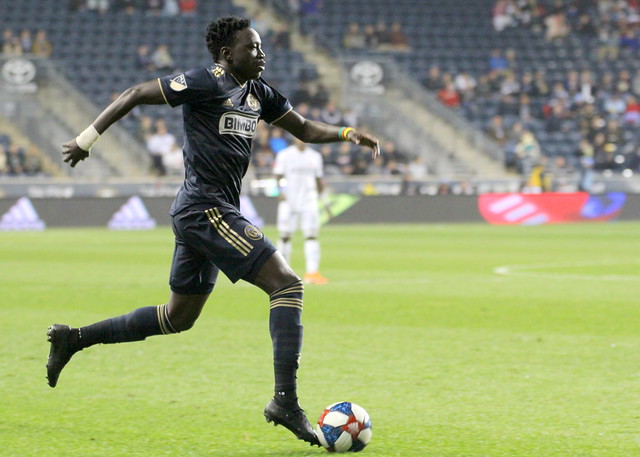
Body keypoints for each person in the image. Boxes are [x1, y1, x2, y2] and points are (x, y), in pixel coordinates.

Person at [47, 16, 379, 448]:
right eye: (252, 47)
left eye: (261, 46)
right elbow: (134, 94)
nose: (262, 53)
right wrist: (85, 140)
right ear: (227, 54)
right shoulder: (205, 83)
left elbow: (303, 128)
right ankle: (285, 401)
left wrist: (346, 133)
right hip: (205, 208)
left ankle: (73, 339)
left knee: (177, 317)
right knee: (287, 285)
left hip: (205, 211)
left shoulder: (257, 92)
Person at [274, 137, 330, 285]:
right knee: (285, 236)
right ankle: (283, 273)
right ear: (294, 138)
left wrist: (323, 200)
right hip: (289, 201)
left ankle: (312, 273)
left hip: (308, 202)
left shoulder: (315, 157)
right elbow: (278, 176)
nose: (302, 140)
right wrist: (281, 191)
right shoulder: (284, 155)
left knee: (311, 236)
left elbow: (318, 180)